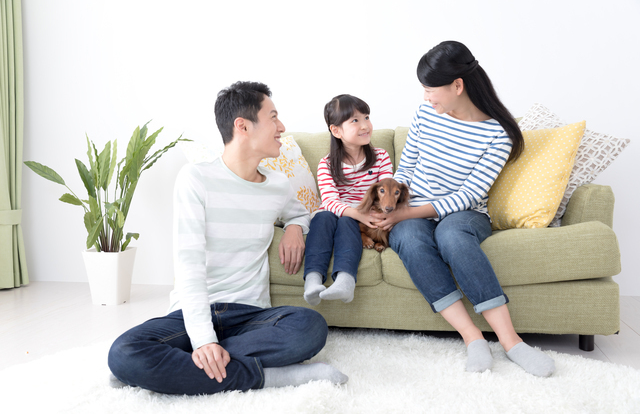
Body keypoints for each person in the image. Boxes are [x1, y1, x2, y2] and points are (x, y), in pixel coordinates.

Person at [108, 81, 348, 395]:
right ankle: (269, 377)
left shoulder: (277, 184)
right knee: (124, 352)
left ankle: (175, 369)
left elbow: (300, 214)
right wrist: (203, 339)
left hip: (249, 315)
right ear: (242, 126)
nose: (281, 127)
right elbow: (189, 265)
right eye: (273, 117)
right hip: (191, 314)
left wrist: (294, 228)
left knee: (310, 327)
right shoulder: (196, 179)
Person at [375, 41, 556, 377]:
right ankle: (473, 338)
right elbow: (406, 169)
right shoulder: (424, 115)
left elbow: (470, 195)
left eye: (431, 89)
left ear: (457, 85)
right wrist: (392, 208)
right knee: (410, 239)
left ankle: (512, 342)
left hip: (465, 212)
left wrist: (407, 214)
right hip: (413, 208)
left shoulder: (497, 133)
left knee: (452, 236)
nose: (426, 97)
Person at [303, 95, 393, 306]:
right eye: (355, 120)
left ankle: (345, 281)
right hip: (337, 212)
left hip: (359, 217)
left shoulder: (381, 157)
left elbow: (386, 194)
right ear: (336, 131)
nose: (365, 125)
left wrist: (367, 214)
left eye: (366, 117)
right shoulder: (326, 164)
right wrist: (356, 212)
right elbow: (329, 200)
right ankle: (312, 281)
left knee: (347, 221)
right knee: (323, 217)